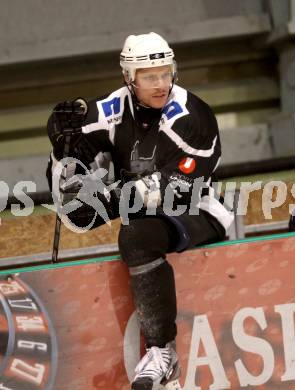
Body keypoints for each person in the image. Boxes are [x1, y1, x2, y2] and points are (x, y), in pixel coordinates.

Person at [46, 32, 234, 390]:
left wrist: (104, 202)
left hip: (199, 210)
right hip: (140, 211)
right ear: (128, 78)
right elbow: (71, 191)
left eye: (166, 73)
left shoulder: (193, 115)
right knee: (134, 226)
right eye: (150, 77)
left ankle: (162, 353)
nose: (161, 83)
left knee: (137, 233)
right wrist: (63, 154)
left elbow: (174, 190)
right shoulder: (109, 110)